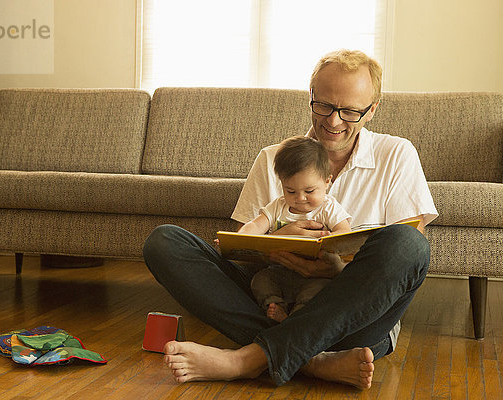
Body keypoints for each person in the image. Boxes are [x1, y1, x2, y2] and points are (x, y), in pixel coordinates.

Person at [143, 49, 438, 389]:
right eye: (323, 105)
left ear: (372, 110)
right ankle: (314, 361)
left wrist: (337, 269)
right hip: (277, 296)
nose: (334, 121)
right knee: (164, 242)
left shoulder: (397, 154)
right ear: (310, 97)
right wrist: (273, 247)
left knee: (409, 245)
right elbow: (241, 250)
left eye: (350, 111)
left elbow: (401, 264)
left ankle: (248, 358)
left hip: (351, 318)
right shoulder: (273, 157)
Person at [239, 136, 351, 323]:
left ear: (327, 181)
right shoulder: (278, 206)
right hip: (280, 272)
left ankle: (296, 319)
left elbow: (345, 233)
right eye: (290, 191)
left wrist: (327, 240)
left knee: (318, 292)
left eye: (309, 191)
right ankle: (276, 308)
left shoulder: (328, 208)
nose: (300, 198)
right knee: (260, 280)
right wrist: (239, 239)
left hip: (316, 276)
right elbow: (256, 225)